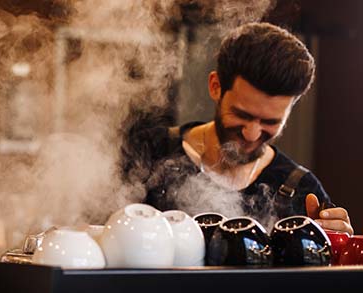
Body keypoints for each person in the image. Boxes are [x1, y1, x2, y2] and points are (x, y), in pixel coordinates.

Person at [126, 22, 353, 234]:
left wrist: (337, 248)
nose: (252, 134)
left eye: (271, 122)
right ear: (216, 87)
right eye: (242, 115)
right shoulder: (146, 152)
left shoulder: (301, 190)